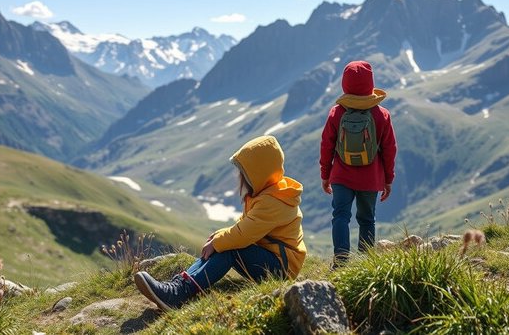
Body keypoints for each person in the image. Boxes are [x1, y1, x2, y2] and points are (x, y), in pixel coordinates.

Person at [134, 135, 307, 311]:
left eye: (244, 172)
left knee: (230, 248)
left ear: (258, 173)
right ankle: (180, 284)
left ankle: (180, 293)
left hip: (281, 269)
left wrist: (218, 242)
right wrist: (219, 236)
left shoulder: (272, 202)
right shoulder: (269, 193)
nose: (240, 177)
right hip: (272, 259)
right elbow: (246, 225)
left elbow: (243, 235)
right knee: (224, 243)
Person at [320, 60, 397, 267]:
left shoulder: (336, 113)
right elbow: (390, 149)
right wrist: (388, 179)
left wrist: (325, 175)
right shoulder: (382, 115)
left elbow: (326, 146)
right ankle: (365, 265)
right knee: (367, 220)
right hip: (370, 178)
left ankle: (341, 262)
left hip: (341, 176)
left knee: (340, 216)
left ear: (345, 83)